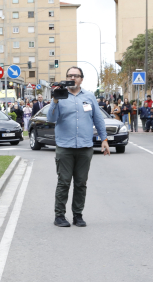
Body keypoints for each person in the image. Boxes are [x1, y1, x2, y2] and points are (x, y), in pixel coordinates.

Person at [47, 66, 109, 228]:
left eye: (76, 76)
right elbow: (51, 119)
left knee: (81, 183)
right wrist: (54, 100)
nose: (72, 78)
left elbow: (98, 119)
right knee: (64, 182)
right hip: (65, 147)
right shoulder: (60, 96)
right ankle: (59, 215)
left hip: (84, 147)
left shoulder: (89, 97)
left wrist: (104, 139)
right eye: (69, 75)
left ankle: (78, 215)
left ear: (82, 78)